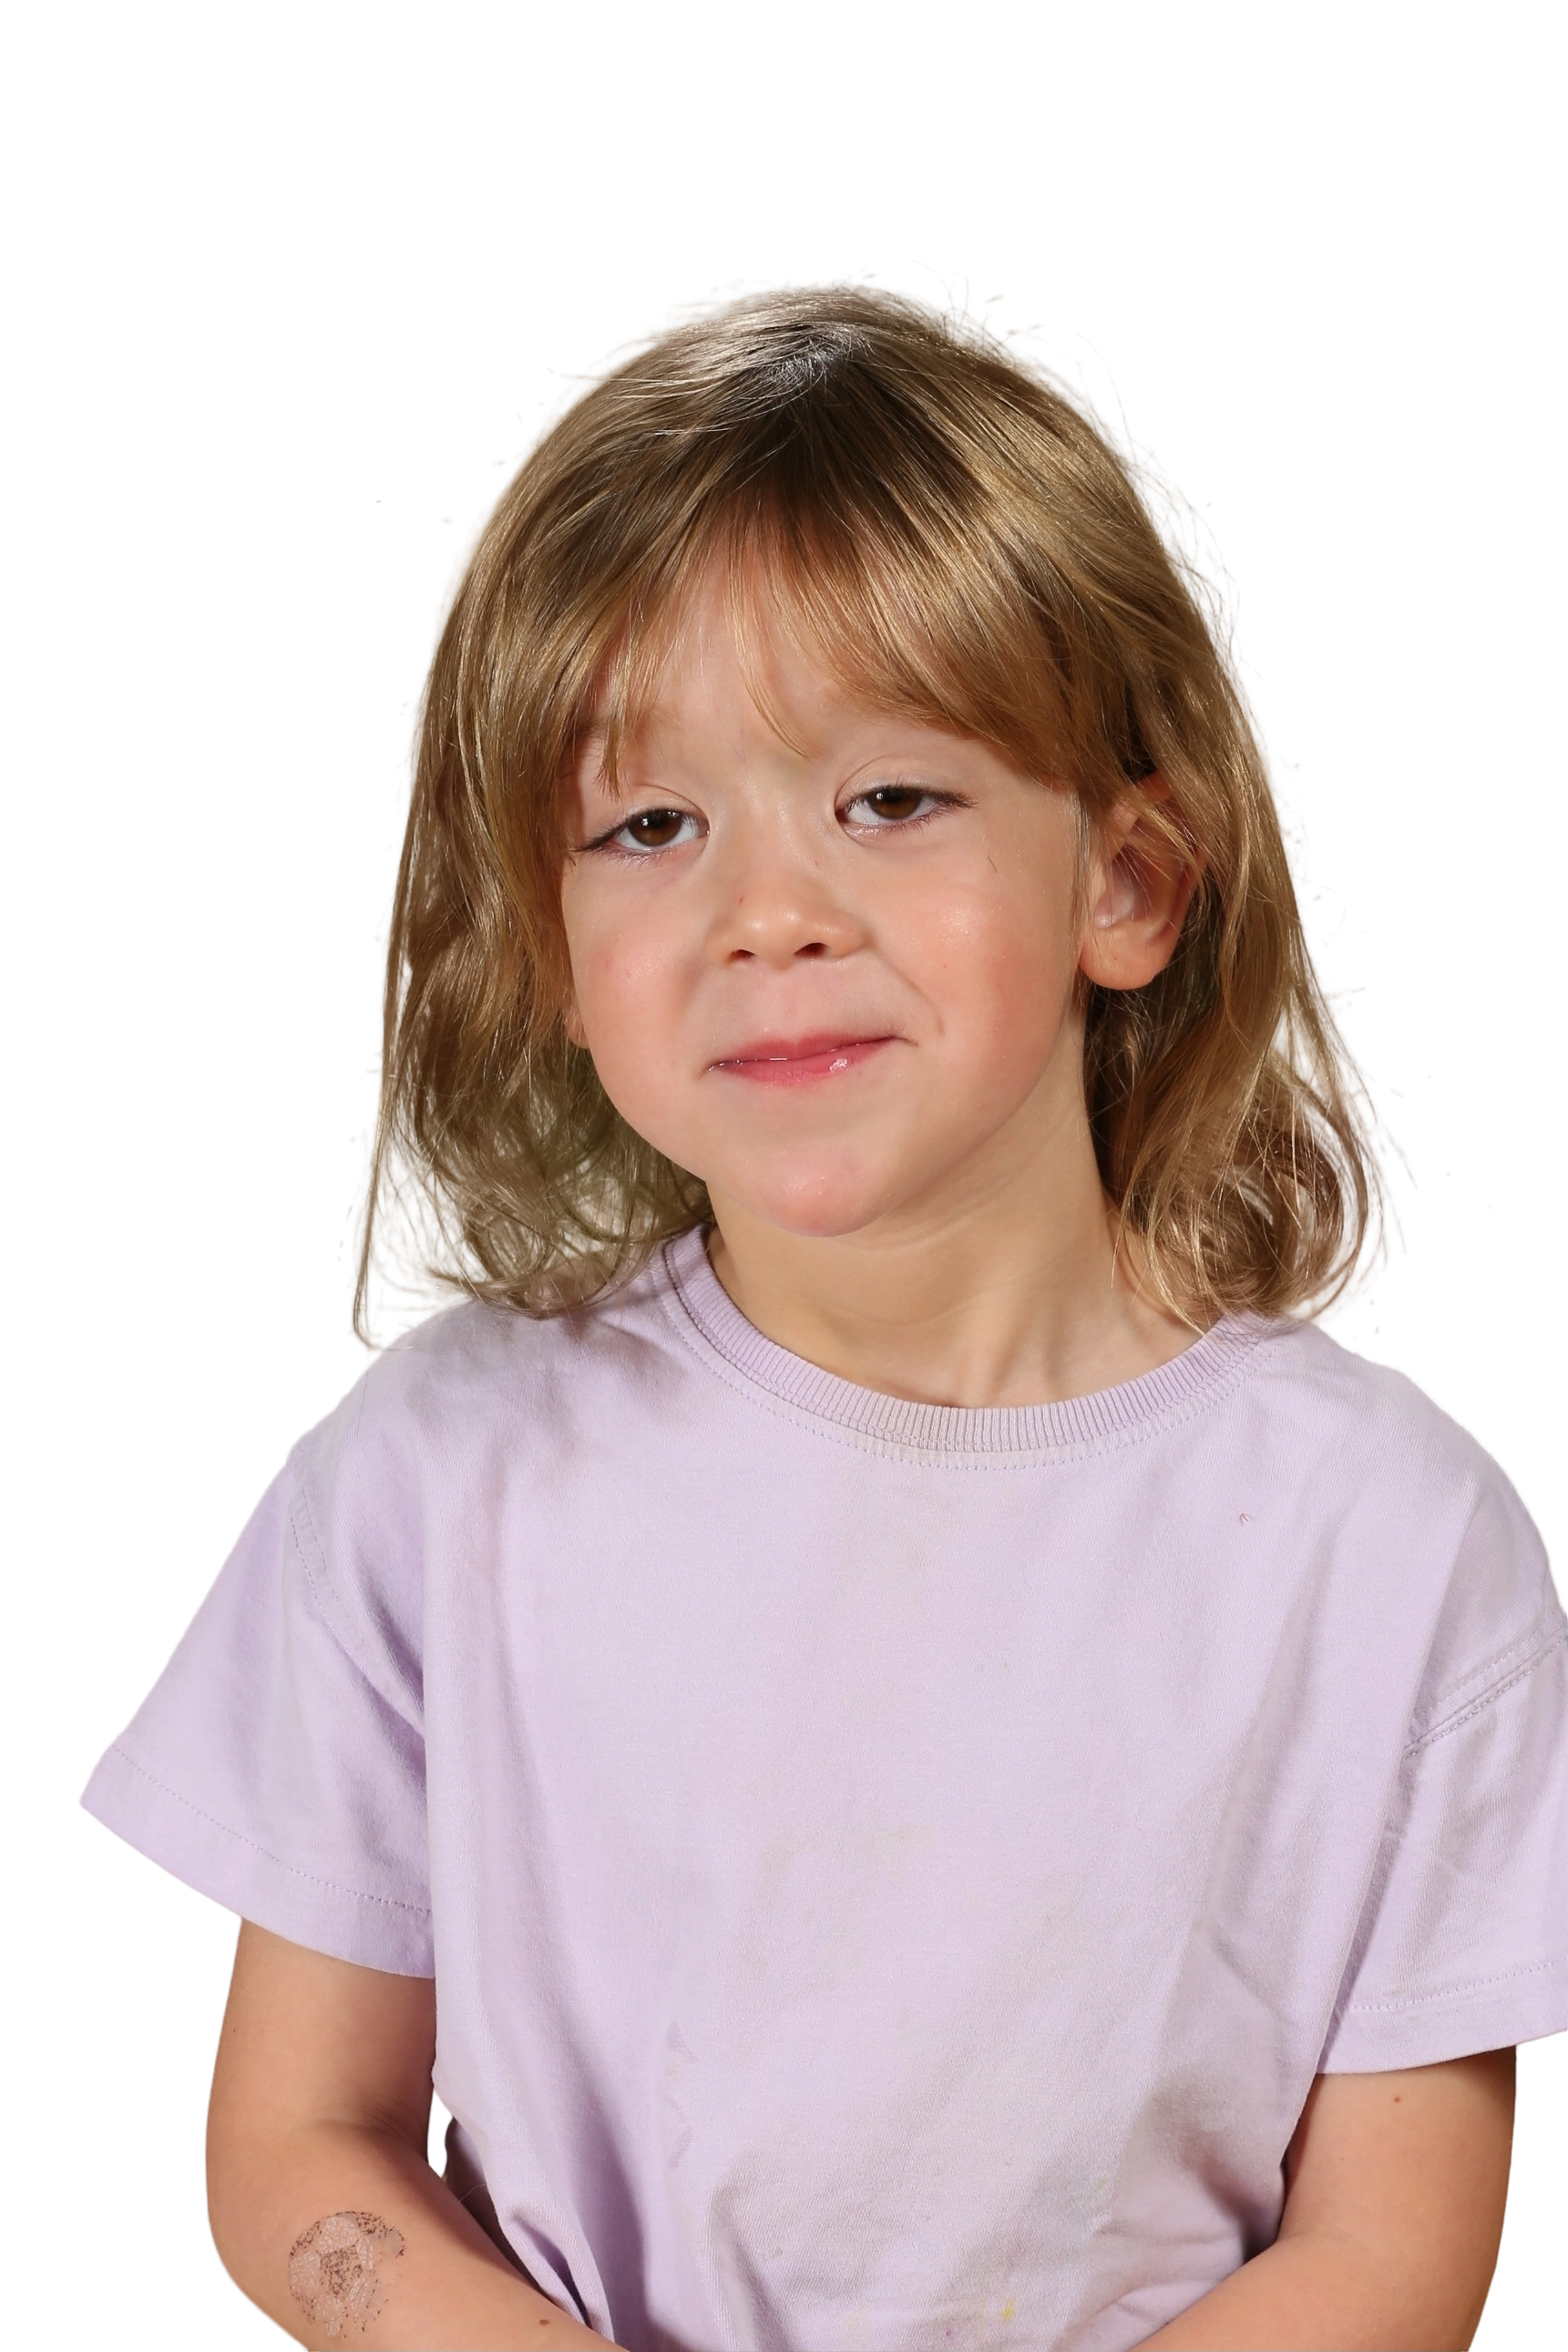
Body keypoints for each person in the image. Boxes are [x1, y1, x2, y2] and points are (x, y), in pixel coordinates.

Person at [77, 267, 1566, 2352]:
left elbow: (1390, 2255)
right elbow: (297, 2153)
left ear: (1125, 882)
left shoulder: (1381, 1539)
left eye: (888, 798)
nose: (764, 914)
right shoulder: (438, 1469)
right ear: (548, 946)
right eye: (649, 824)